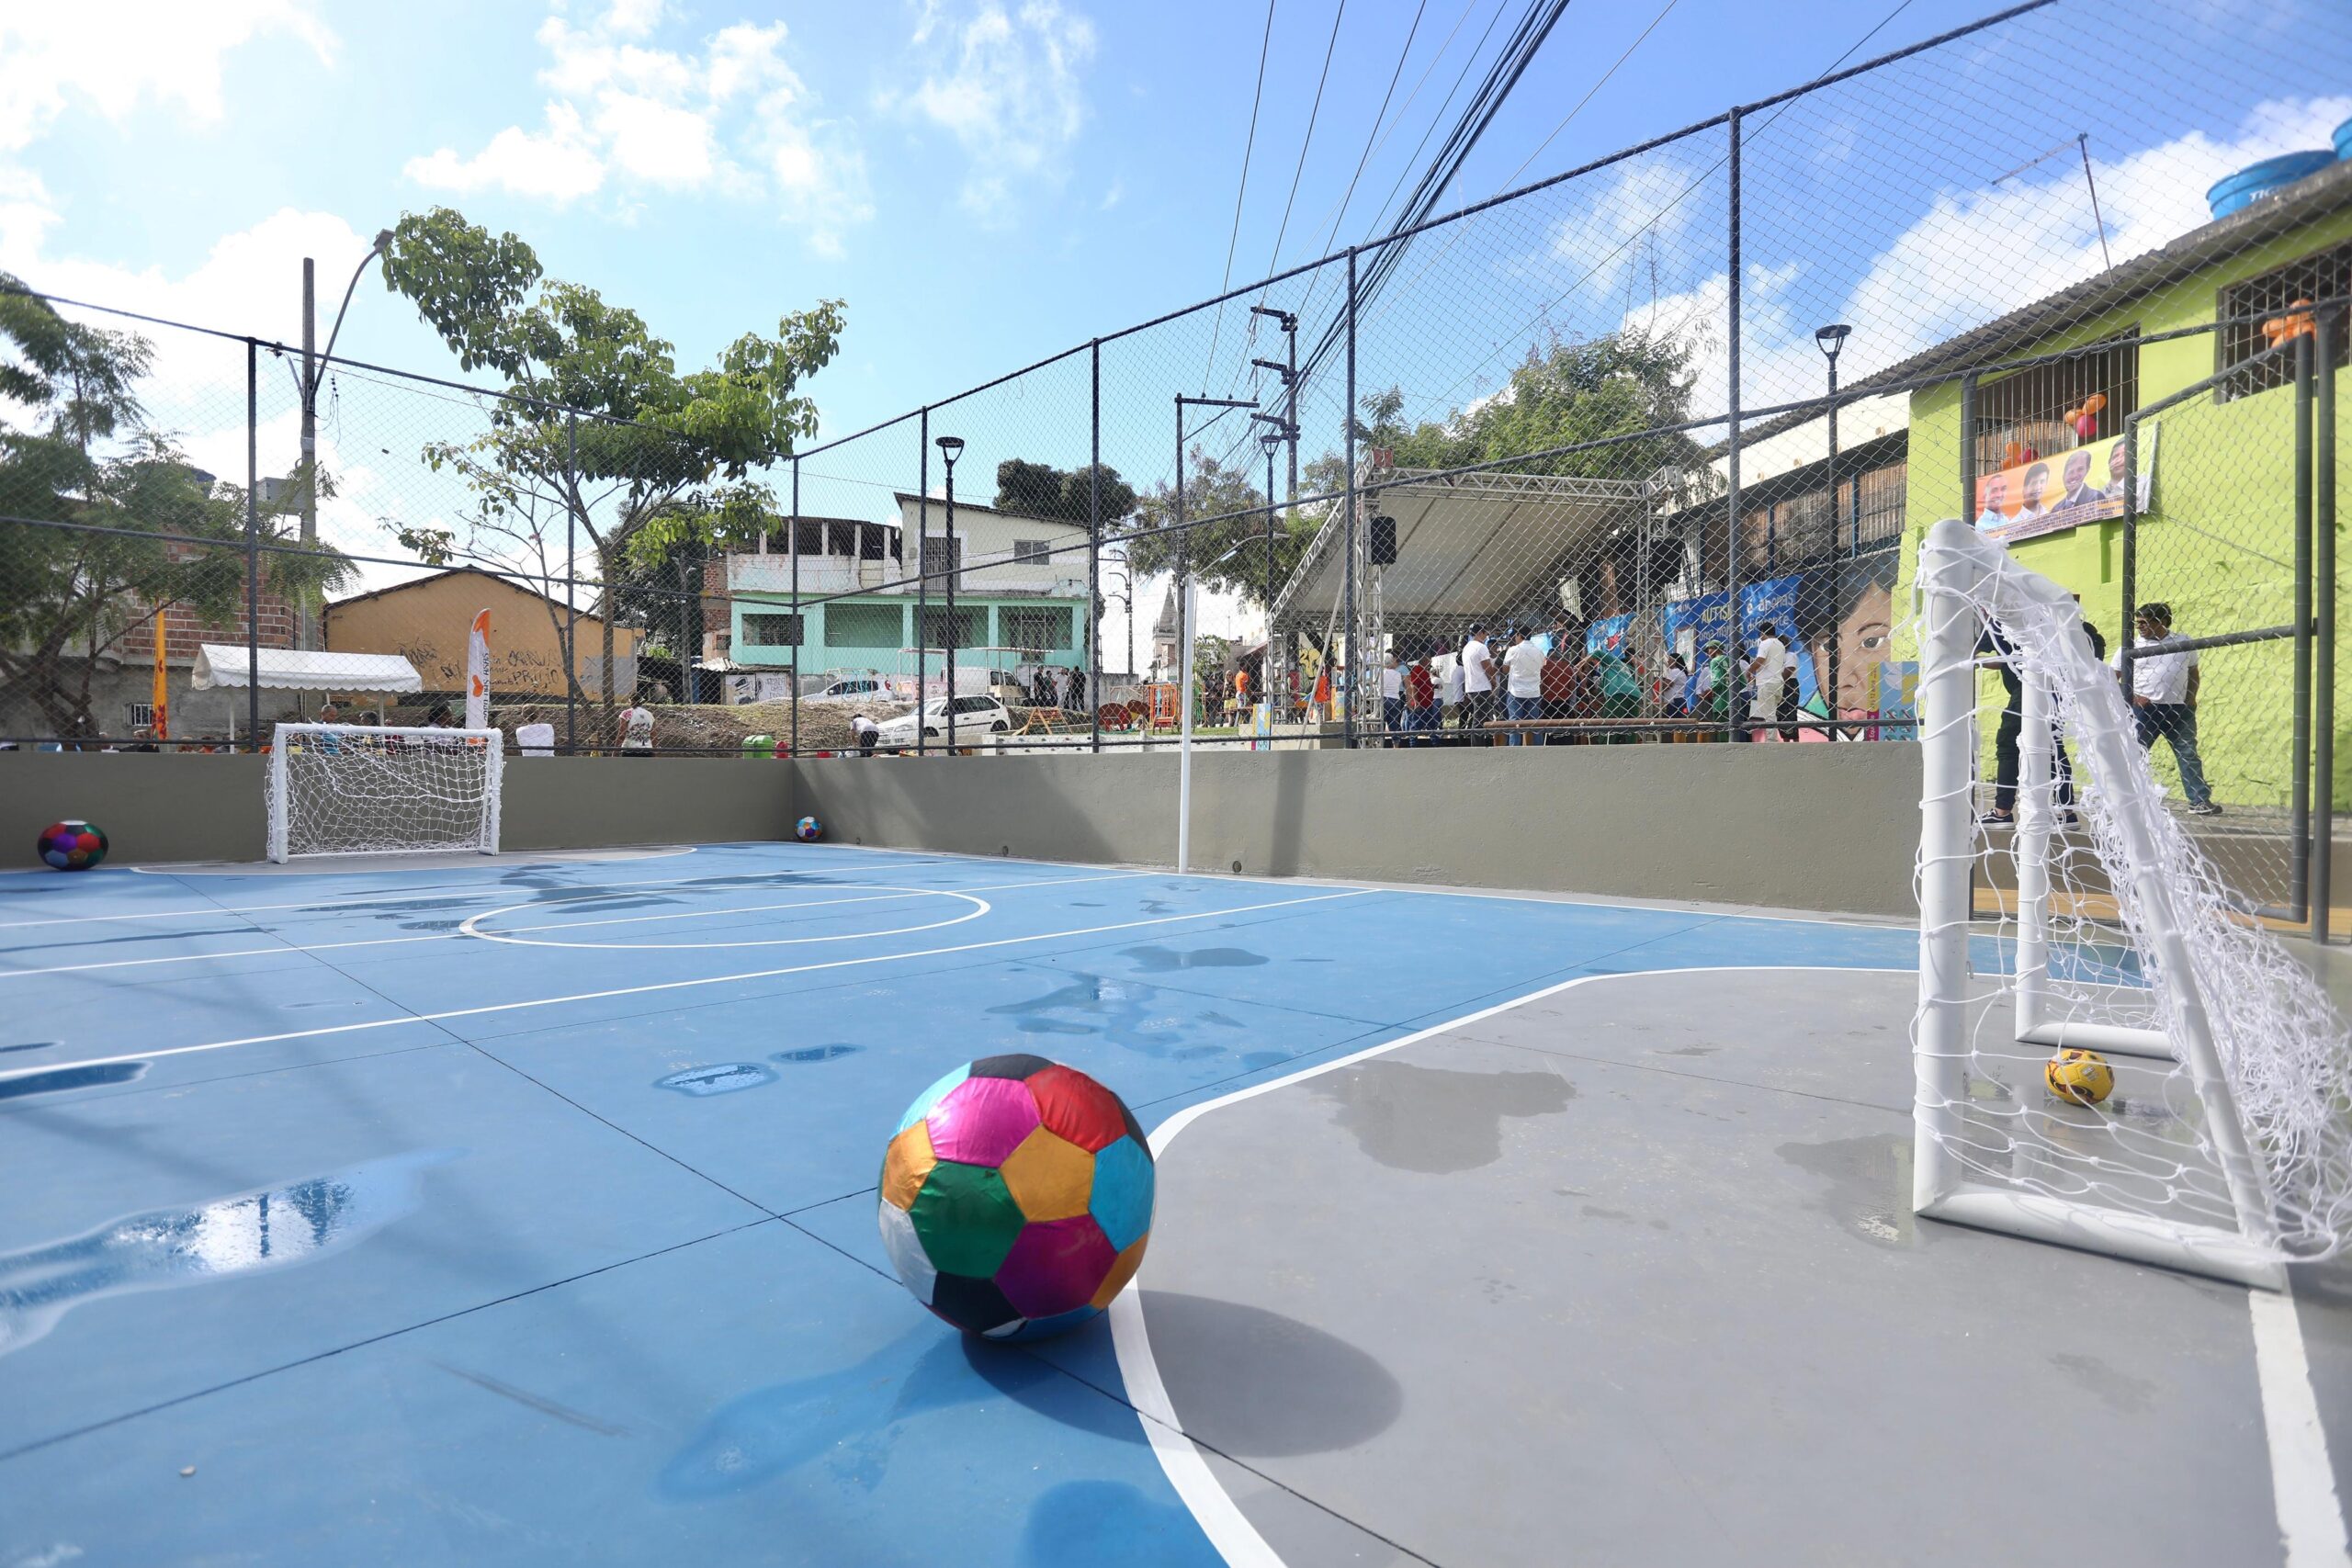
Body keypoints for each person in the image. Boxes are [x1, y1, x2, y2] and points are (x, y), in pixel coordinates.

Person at [2114, 602, 2216, 815]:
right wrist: (2132, 696)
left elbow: (2193, 672)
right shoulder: (2130, 646)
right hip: (2144, 711)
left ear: (2162, 621)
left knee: (2188, 753)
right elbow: (2113, 678)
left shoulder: (2183, 641)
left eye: (2144, 622)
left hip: (2179, 710)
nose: (2139, 627)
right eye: (2138, 622)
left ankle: (2199, 801)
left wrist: (2191, 699)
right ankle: (2126, 800)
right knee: (2135, 754)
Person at [1498, 627, 1548, 745]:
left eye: (1515, 636)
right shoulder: (1538, 650)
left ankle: (1515, 750)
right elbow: (1541, 666)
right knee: (1534, 724)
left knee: (1515, 724)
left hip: (1516, 691)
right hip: (1534, 691)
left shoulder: (1513, 650)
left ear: (1519, 635)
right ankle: (1537, 749)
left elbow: (1505, 669)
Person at [1743, 622, 1790, 743]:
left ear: (1763, 632)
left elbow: (1760, 659)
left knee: (1768, 713)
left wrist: (1749, 671)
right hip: (1778, 683)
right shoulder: (1781, 645)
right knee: (1772, 711)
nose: (1760, 637)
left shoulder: (1765, 643)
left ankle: (1771, 740)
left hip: (1766, 682)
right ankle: (1772, 738)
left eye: (1760, 634)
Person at [1596, 648, 1643, 742]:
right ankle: (1631, 747)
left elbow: (1597, 653)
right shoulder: (1630, 669)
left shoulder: (1611, 664)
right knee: (1630, 727)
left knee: (1610, 724)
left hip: (1618, 693)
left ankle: (1605, 745)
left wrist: (1580, 664)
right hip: (1635, 694)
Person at [1460, 622, 1495, 737]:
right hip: (1482, 686)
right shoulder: (1481, 647)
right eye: (1486, 633)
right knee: (1480, 719)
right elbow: (1487, 668)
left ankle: (1479, 741)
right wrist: (1494, 682)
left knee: (1480, 716)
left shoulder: (1467, 648)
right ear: (1480, 632)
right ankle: (1477, 745)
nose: (1486, 636)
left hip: (1471, 686)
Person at [1403, 649, 1436, 746]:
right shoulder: (1418, 670)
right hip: (1422, 703)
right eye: (1429, 660)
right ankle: (1413, 744)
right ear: (1426, 660)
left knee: (1430, 724)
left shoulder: (1423, 671)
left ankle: (1435, 743)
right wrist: (1416, 702)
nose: (1431, 662)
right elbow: (1414, 686)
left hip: (1427, 703)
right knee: (1416, 725)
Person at [2055, 448, 2101, 513]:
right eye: (2071, 471)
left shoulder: (2095, 497)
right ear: (2063, 476)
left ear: (2087, 470)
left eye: (2080, 469)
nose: (2074, 476)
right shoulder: (2056, 509)